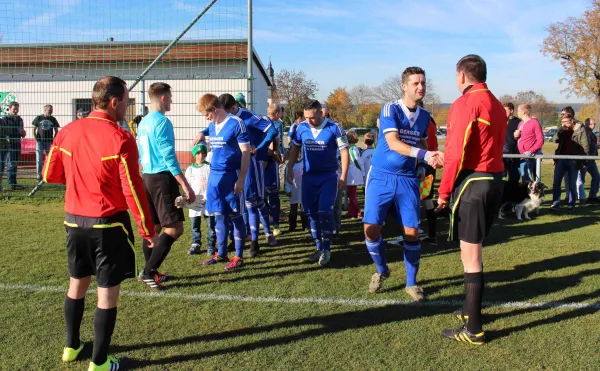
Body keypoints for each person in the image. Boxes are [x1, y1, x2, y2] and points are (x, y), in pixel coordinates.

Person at [42, 76, 157, 370]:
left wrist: (81, 180)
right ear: (114, 102)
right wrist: (147, 229)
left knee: (76, 283)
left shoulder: (67, 131)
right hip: (108, 224)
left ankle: (71, 346)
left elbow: (49, 175)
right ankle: (100, 362)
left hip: (74, 222)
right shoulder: (121, 138)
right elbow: (133, 189)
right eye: (127, 102)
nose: (127, 108)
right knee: (106, 292)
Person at [437, 54, 506, 345]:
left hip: (473, 183)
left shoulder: (466, 103)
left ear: (462, 76)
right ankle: (469, 309)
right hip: (493, 180)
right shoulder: (497, 104)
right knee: (473, 250)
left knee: (471, 254)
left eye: (455, 76)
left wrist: (442, 192)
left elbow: (455, 152)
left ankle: (474, 328)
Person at [363, 66, 439, 301]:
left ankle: (411, 284)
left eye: (423, 83)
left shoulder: (425, 116)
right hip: (381, 176)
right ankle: (382, 269)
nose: (421, 87)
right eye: (416, 83)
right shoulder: (390, 108)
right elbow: (393, 143)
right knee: (371, 229)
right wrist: (424, 156)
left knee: (412, 231)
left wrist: (428, 161)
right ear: (404, 86)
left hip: (407, 178)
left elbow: (424, 145)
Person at [136, 82, 196, 290]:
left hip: (147, 177)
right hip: (162, 178)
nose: (171, 100)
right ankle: (148, 272)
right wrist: (185, 185)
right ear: (163, 98)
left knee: (154, 227)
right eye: (170, 97)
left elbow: (141, 153)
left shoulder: (143, 122)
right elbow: (168, 156)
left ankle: (149, 270)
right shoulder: (162, 122)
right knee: (174, 228)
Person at [287, 99, 349, 266]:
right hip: (308, 178)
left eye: (312, 117)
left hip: (328, 177)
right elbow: (295, 148)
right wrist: (290, 167)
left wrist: (343, 176)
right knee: (311, 213)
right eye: (306, 117)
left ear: (321, 113)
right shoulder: (302, 128)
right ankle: (319, 247)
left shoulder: (335, 128)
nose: (309, 121)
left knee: (324, 212)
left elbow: (344, 152)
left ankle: (327, 249)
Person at [218, 93, 278, 257]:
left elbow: (272, 130)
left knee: (253, 202)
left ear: (233, 107)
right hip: (235, 165)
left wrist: (259, 148)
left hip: (252, 163)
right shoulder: (226, 119)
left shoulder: (249, 117)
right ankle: (243, 237)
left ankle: (257, 241)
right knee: (240, 204)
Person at [195, 93, 251, 270]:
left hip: (231, 176)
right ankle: (221, 253)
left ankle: (239, 256)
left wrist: (241, 179)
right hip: (214, 177)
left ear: (215, 109)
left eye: (207, 114)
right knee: (218, 215)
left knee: (235, 216)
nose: (207, 118)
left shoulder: (236, 123)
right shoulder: (212, 125)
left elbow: (245, 152)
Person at [550, 113, 589, 212]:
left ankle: (571, 205)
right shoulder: (563, 130)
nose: (563, 124)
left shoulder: (580, 130)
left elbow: (585, 147)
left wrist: (582, 160)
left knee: (572, 184)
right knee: (556, 183)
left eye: (565, 122)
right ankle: (555, 204)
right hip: (561, 159)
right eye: (562, 122)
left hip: (573, 161)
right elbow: (555, 139)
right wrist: (561, 130)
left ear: (572, 121)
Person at [184, 143, 216, 256]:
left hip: (208, 200)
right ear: (194, 155)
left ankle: (211, 245)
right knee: (195, 225)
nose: (200, 155)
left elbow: (213, 181)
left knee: (211, 224)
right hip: (194, 201)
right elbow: (187, 184)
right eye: (198, 153)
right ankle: (195, 244)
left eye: (203, 153)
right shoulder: (190, 169)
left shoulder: (209, 167)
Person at [265, 103, 285, 236]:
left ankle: (267, 222)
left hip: (259, 163)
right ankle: (275, 225)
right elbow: (277, 142)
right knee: (273, 195)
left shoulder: (260, 121)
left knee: (262, 196)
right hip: (270, 163)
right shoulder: (276, 125)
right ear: (277, 114)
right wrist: (278, 153)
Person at [422, 111, 439, 246]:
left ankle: (411, 234)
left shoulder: (420, 121)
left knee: (412, 200)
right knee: (427, 199)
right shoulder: (431, 120)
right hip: (430, 165)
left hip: (422, 166)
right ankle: (432, 235)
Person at [514, 104, 544, 182]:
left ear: (524, 112)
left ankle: (529, 193)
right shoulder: (520, 123)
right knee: (524, 177)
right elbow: (521, 138)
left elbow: (540, 140)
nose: (517, 112)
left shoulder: (534, 123)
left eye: (518, 111)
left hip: (529, 156)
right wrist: (516, 136)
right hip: (521, 155)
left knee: (527, 180)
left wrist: (531, 151)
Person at [0, 102, 26, 191]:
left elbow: (22, 131)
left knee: (15, 164)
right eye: (14, 108)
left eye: (17, 108)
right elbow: (4, 132)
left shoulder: (19, 119)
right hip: (9, 144)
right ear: (10, 108)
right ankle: (11, 184)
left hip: (17, 143)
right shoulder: (5, 119)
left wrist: (23, 132)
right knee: (10, 164)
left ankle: (14, 183)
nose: (16, 110)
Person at [32, 104, 60, 181]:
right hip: (40, 141)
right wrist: (36, 139)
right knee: (39, 159)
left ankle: (48, 174)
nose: (51, 112)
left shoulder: (53, 119)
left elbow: (56, 130)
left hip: (49, 141)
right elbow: (33, 129)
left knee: (49, 158)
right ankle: (39, 176)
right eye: (49, 110)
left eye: (51, 110)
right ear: (45, 110)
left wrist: (54, 140)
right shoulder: (39, 118)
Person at [577, 118, 600, 203]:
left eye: (594, 124)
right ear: (586, 124)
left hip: (591, 160)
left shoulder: (591, 134)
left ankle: (592, 196)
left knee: (597, 177)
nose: (593, 126)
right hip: (584, 160)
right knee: (581, 179)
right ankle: (580, 197)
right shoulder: (584, 133)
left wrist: (596, 147)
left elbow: (591, 145)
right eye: (591, 124)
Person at [345, 130, 364, 218]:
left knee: (351, 196)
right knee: (350, 195)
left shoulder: (353, 149)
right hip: (350, 175)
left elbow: (358, 162)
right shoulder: (349, 148)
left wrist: (362, 173)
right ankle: (351, 212)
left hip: (353, 175)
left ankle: (358, 212)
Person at [502, 102, 521, 183]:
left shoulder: (518, 122)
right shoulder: (500, 121)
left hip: (515, 153)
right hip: (502, 153)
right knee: (502, 176)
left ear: (512, 110)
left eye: (505, 110)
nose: (503, 112)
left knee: (514, 177)